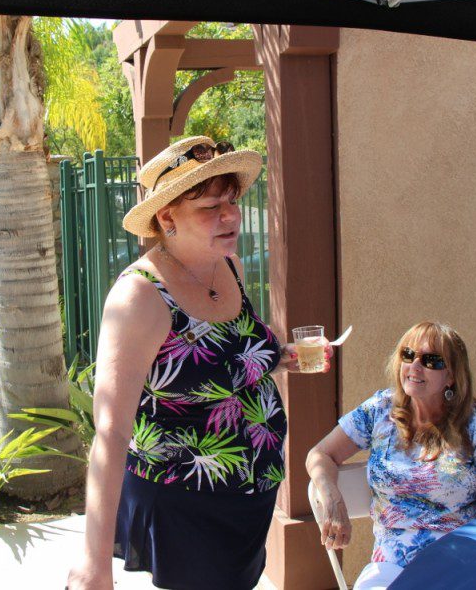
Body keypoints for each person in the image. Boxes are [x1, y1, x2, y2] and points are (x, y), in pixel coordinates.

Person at [67, 136, 332, 590]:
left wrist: (280, 358)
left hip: (251, 496)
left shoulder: (229, 266)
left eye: (232, 201)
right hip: (186, 504)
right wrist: (95, 564)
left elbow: (224, 360)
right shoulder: (140, 297)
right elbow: (111, 432)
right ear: (167, 217)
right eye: (210, 206)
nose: (230, 215)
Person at [306, 321, 476, 590]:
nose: (415, 366)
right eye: (408, 355)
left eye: (431, 360)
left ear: (451, 376)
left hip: (460, 564)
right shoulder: (380, 410)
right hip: (390, 565)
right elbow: (320, 454)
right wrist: (333, 500)